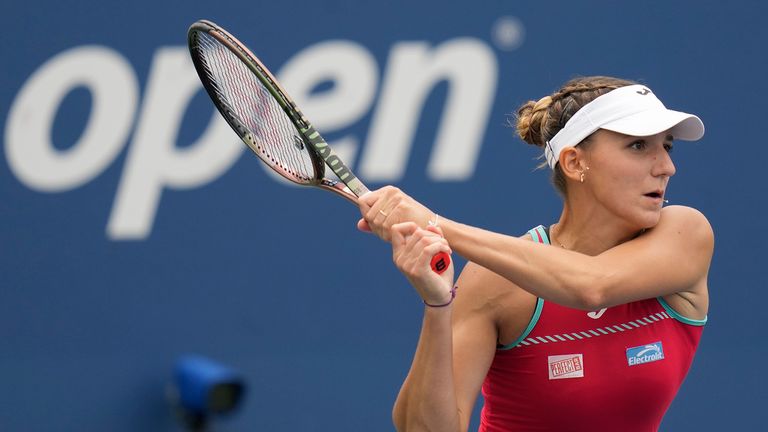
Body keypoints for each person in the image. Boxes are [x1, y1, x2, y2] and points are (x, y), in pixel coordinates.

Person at [356, 76, 713, 432]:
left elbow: (591, 285)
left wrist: (435, 224)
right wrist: (437, 306)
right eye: (638, 146)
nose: (666, 166)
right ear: (574, 163)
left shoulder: (686, 234)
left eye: (667, 146)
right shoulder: (493, 281)